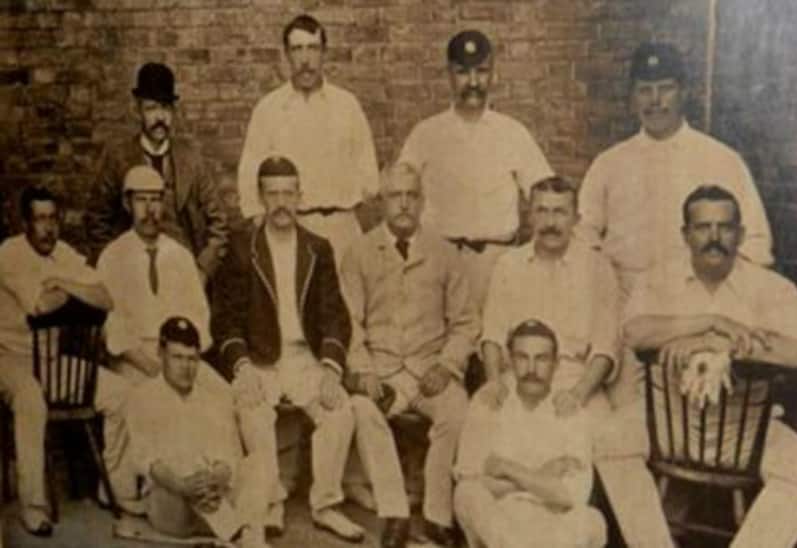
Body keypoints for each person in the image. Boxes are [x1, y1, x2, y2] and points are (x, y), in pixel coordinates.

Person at [595, 185, 797, 548]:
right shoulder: (658, 279)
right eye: (703, 227)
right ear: (686, 234)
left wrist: (729, 350)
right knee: (606, 441)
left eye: (725, 227)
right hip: (664, 420)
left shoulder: (771, 288)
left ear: (739, 233)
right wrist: (709, 322)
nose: (714, 237)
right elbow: (634, 332)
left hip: (745, 428)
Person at [212, 155, 364, 542]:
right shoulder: (243, 248)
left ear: (300, 196)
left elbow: (335, 315)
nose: (281, 203)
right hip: (259, 359)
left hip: (306, 359)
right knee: (250, 408)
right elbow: (224, 319)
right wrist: (242, 366)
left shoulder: (318, 248)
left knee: (340, 409)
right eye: (272, 193)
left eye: (288, 193)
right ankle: (270, 502)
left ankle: (326, 504)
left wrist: (331, 368)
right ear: (261, 198)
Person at [341, 162, 479, 547]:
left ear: (422, 201)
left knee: (456, 412)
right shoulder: (359, 252)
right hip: (383, 371)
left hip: (429, 368)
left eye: (411, 195)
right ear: (381, 202)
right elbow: (349, 323)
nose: (403, 204)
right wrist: (364, 371)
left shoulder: (445, 253)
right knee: (364, 411)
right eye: (394, 196)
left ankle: (437, 515)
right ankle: (395, 512)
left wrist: (448, 365)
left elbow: (466, 323)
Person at [577, 42, 772, 299]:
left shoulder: (721, 159)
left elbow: (757, 243)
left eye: (665, 89)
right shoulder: (609, 164)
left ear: (684, 92)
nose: (655, 101)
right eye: (645, 90)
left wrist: (720, 293)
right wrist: (604, 280)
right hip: (622, 298)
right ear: (633, 98)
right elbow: (582, 235)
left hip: (695, 301)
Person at [0, 186, 131, 536]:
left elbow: (105, 298)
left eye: (53, 219)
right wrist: (73, 288)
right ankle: (34, 509)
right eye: (40, 219)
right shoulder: (9, 255)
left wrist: (65, 283)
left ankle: (113, 487)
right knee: (30, 400)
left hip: (53, 361)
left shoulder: (64, 253)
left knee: (122, 392)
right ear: (24, 223)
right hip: (11, 359)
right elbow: (40, 306)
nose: (48, 228)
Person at [397, 29, 553, 309]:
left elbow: (546, 196)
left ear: (493, 74)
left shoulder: (512, 132)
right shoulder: (426, 134)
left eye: (481, 72)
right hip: (440, 264)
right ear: (449, 75)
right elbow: (399, 192)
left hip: (496, 264)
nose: (472, 82)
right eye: (462, 72)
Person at [237, 14, 380, 264]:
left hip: (342, 228)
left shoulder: (347, 105)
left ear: (324, 53)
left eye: (313, 48)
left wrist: (347, 207)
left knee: (347, 301)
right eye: (297, 49)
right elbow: (249, 181)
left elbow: (369, 177)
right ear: (286, 55)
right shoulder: (268, 109)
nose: (305, 59)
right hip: (292, 228)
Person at [454, 319, 607, 548]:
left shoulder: (570, 410)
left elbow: (572, 495)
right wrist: (542, 474)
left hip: (551, 522)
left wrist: (508, 469)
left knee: (593, 521)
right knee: (467, 494)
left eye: (542, 359)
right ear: (511, 360)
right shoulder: (488, 401)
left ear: (555, 364)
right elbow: (471, 481)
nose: (531, 369)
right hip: (499, 519)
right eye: (522, 357)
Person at [126, 317, 270, 548]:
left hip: (212, 497)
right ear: (161, 354)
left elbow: (226, 455)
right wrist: (184, 486)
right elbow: (147, 462)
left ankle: (245, 536)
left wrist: (216, 478)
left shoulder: (212, 400)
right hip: (172, 502)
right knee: (184, 453)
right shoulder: (142, 398)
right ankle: (240, 534)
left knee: (257, 464)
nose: (186, 367)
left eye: (193, 359)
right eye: (178, 358)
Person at [480, 176, 620, 414]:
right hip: (519, 377)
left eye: (560, 212)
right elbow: (492, 333)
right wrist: (494, 382)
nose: (550, 223)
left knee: (594, 438)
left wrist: (577, 394)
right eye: (542, 211)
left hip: (576, 379)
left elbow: (605, 346)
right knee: (482, 422)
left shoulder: (597, 267)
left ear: (576, 219)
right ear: (530, 217)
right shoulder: (508, 264)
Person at [87, 62, 228, 282]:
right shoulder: (119, 159)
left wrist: (201, 271)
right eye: (151, 108)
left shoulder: (191, 159)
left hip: (183, 271)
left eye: (166, 108)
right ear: (138, 110)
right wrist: (115, 268)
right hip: (133, 273)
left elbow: (219, 223)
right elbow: (96, 221)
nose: (160, 118)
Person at [96, 165, 224, 390]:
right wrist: (153, 367)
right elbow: (112, 326)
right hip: (134, 363)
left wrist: (182, 360)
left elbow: (198, 314)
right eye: (141, 200)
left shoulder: (180, 255)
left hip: (182, 359)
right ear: (127, 205)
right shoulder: (113, 257)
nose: (149, 210)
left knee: (224, 398)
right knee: (154, 405)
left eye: (155, 200)